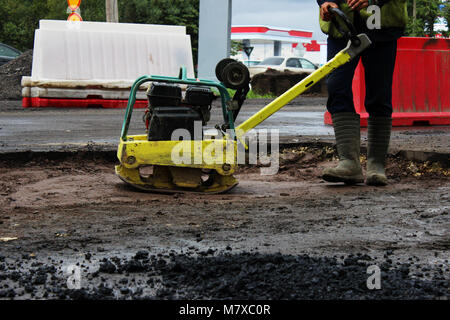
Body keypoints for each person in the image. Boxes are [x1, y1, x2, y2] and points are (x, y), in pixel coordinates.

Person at [317, 0, 407, 186]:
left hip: (381, 28)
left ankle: (376, 165)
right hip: (341, 26)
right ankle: (349, 163)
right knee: (336, 86)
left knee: (379, 93)